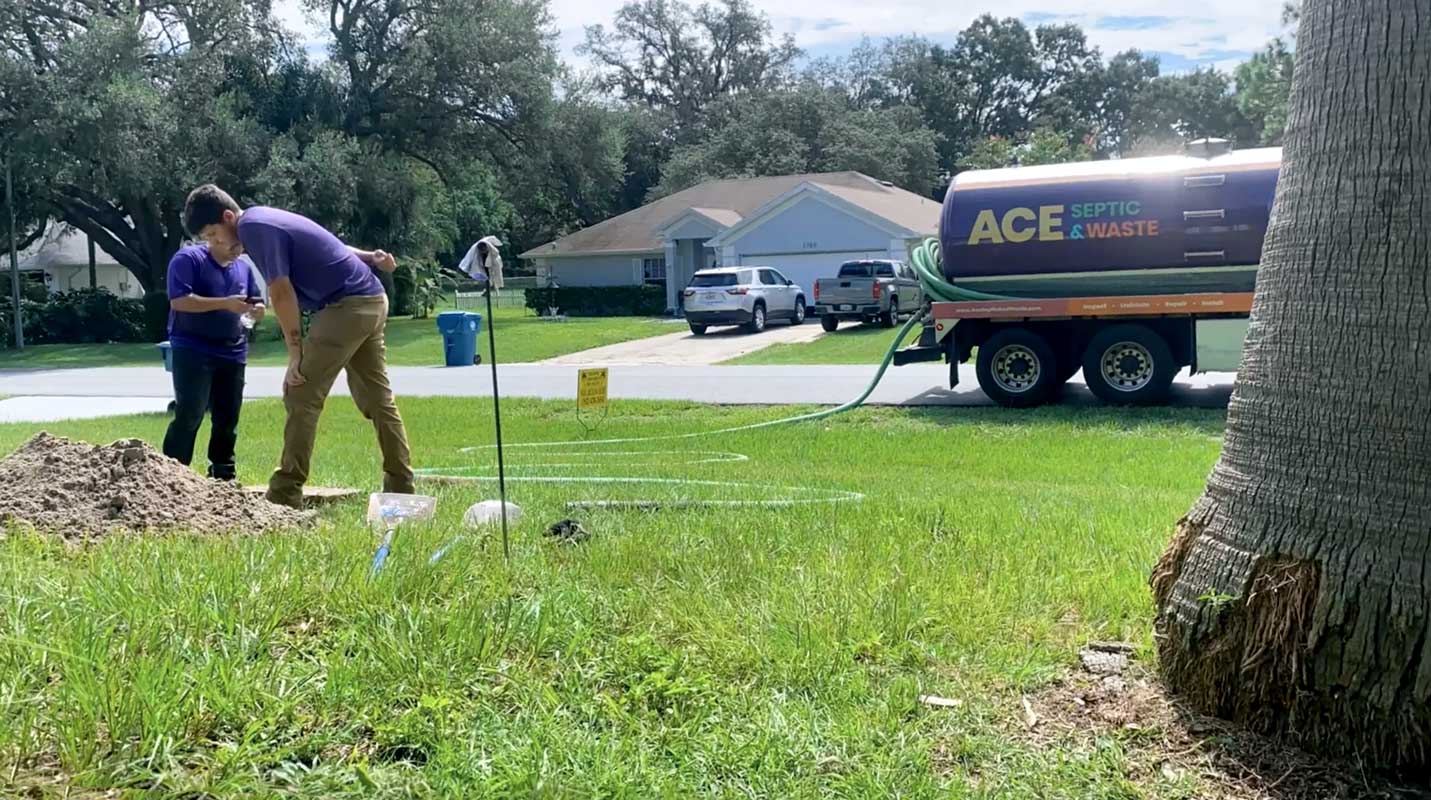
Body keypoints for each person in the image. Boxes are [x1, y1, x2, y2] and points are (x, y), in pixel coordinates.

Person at [181, 184, 414, 509]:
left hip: (346, 304)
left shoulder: (253, 228)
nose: (214, 243)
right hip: (372, 298)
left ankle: (284, 497)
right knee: (378, 399)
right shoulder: (264, 218)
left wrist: (295, 355)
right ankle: (402, 491)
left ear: (228, 217)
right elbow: (326, 243)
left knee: (300, 391)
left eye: (212, 234)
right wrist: (367, 256)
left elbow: (281, 292)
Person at [161, 245, 264, 481]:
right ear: (213, 235)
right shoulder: (189, 259)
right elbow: (179, 301)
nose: (237, 250)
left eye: (241, 246)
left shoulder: (243, 268)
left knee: (228, 416)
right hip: (192, 346)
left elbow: (256, 300)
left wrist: (258, 310)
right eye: (233, 244)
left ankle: (223, 472)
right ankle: (172, 474)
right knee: (190, 412)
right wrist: (224, 303)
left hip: (233, 348)